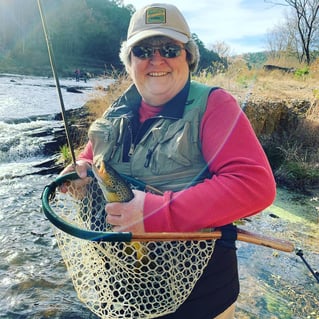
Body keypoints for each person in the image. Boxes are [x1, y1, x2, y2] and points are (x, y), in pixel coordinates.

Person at [60, 3, 276, 318]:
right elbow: (91, 157)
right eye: (143, 50)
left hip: (201, 295)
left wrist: (155, 212)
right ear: (129, 61)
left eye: (170, 49)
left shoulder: (214, 105)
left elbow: (255, 186)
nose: (156, 59)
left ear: (188, 57)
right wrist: (77, 171)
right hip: (122, 287)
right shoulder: (116, 111)